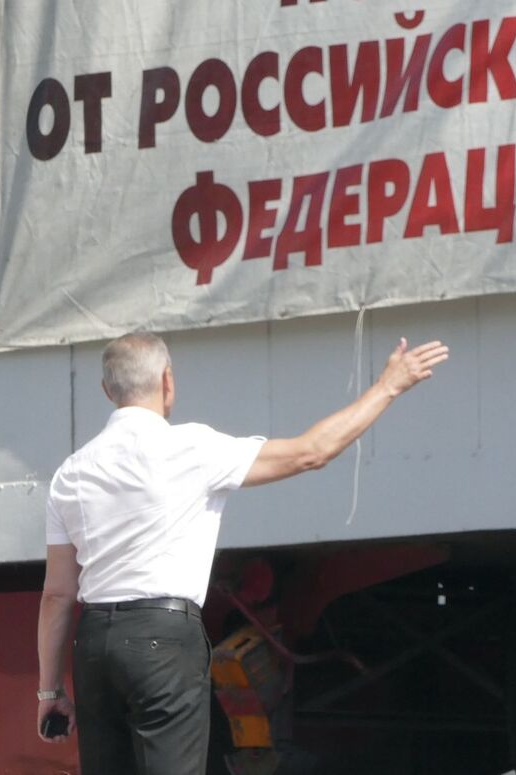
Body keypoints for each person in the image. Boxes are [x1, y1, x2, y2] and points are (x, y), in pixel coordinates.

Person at [35, 330, 449, 773]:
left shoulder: (70, 473)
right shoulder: (192, 448)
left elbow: (57, 594)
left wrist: (49, 691)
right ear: (167, 381)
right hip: (164, 639)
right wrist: (388, 386)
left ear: (107, 391)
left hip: (94, 643)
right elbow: (311, 452)